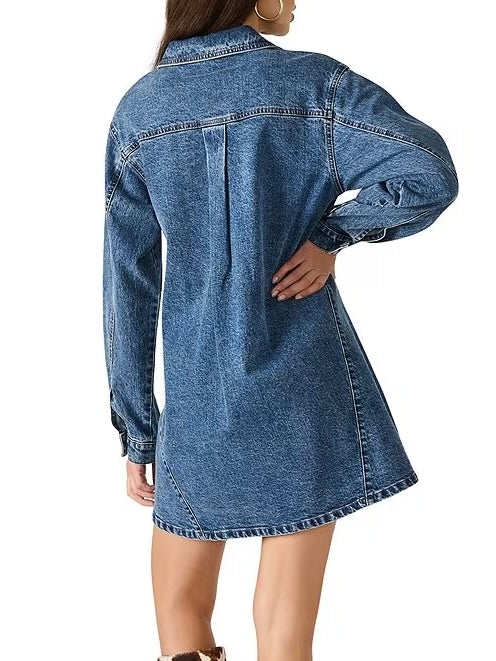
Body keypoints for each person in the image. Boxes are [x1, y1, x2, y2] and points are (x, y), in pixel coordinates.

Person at [102, 1, 458, 659]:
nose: (295, 2)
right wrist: (332, 236)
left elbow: (128, 283)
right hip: (302, 388)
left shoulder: (141, 110)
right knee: (286, 634)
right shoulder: (315, 85)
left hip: (198, 406)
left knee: (180, 622)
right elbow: (428, 171)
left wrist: (137, 428)